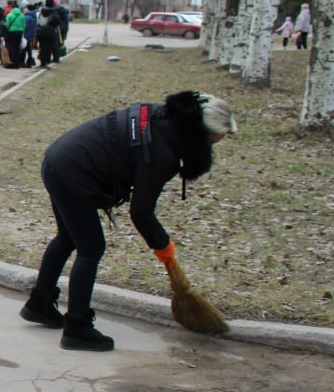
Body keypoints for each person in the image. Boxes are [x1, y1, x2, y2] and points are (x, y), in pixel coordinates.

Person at [20, 91, 236, 351]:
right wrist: (163, 246)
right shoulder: (162, 152)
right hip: (73, 172)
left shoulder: (163, 118)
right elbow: (141, 212)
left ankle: (40, 303)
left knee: (68, 238)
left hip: (59, 160)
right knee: (91, 248)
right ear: (199, 133)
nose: (213, 146)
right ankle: (77, 328)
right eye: (213, 140)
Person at [35, 0, 62, 69]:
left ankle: (42, 61)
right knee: (48, 48)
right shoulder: (54, 11)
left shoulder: (42, 10)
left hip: (40, 31)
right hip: (49, 32)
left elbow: (38, 20)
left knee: (42, 47)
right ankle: (45, 62)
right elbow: (57, 22)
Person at [4, 0, 26, 70]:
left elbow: (7, 25)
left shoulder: (10, 15)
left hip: (11, 32)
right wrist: (23, 32)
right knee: (17, 47)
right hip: (19, 32)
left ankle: (12, 62)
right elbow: (24, 25)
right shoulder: (22, 15)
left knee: (11, 47)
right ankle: (17, 63)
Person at [23, 3, 39, 68]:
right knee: (29, 49)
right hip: (31, 35)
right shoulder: (34, 16)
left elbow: (24, 26)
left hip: (26, 35)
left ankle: (23, 62)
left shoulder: (27, 17)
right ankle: (29, 61)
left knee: (24, 49)